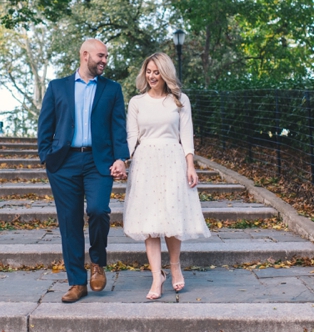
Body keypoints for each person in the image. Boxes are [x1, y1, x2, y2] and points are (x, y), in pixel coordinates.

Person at [37, 39, 130, 303]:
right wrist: (46, 156)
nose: (104, 60)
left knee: (99, 211)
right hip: (64, 164)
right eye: (100, 56)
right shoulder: (57, 87)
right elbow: (46, 124)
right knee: (70, 222)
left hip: (97, 162)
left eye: (106, 57)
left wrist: (121, 158)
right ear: (85, 54)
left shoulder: (112, 89)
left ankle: (98, 262)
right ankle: (77, 282)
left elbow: (118, 127)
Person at [123, 52, 211, 300]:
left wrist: (190, 166)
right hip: (145, 162)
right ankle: (156, 277)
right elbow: (132, 137)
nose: (152, 76)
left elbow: (187, 135)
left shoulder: (180, 100)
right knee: (150, 223)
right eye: (149, 71)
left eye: (156, 72)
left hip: (172, 160)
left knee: (171, 217)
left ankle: (174, 266)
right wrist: (123, 159)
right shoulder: (136, 103)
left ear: (165, 73)